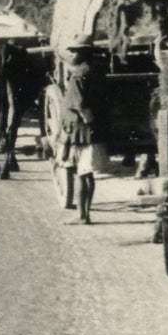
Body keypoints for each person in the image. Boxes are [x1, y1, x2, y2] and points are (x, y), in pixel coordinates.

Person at [60, 42, 106, 222]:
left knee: (82, 174)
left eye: (75, 52)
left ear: (84, 54)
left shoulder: (77, 75)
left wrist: (88, 119)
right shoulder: (97, 71)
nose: (72, 56)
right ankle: (85, 214)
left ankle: (82, 216)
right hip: (95, 131)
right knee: (89, 175)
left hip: (82, 131)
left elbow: (79, 105)